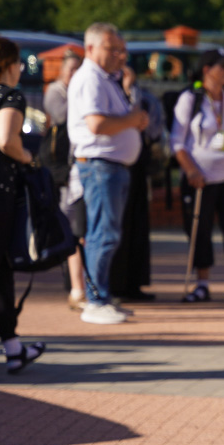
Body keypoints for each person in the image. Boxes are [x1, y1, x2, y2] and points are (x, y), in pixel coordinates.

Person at [68, 23, 149, 325]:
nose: (119, 55)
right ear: (90, 49)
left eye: (120, 49)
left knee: (107, 234)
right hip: (100, 166)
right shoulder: (90, 78)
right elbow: (97, 124)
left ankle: (101, 296)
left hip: (111, 166)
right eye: (111, 49)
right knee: (102, 235)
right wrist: (131, 119)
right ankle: (95, 300)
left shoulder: (105, 78)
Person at [171, 49, 224, 306]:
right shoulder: (190, 98)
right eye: (223, 66)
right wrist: (191, 171)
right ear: (206, 69)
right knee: (200, 231)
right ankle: (202, 284)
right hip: (201, 180)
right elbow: (177, 141)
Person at [0, 36, 45, 377]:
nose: (21, 69)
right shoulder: (9, 96)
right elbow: (6, 140)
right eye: (18, 63)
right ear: (7, 65)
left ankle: (13, 349)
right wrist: (28, 157)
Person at [109, 63, 164, 301]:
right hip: (115, 165)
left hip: (138, 168)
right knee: (117, 227)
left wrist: (133, 92)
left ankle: (134, 284)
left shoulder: (144, 97)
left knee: (138, 227)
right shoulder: (108, 95)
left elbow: (150, 127)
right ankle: (113, 286)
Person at [41, 50, 87, 311]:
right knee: (69, 225)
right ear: (61, 72)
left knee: (80, 228)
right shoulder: (55, 91)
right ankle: (73, 283)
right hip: (62, 169)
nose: (74, 76)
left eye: (78, 71)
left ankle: (79, 284)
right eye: (71, 71)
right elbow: (61, 117)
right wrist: (81, 98)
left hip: (78, 167)